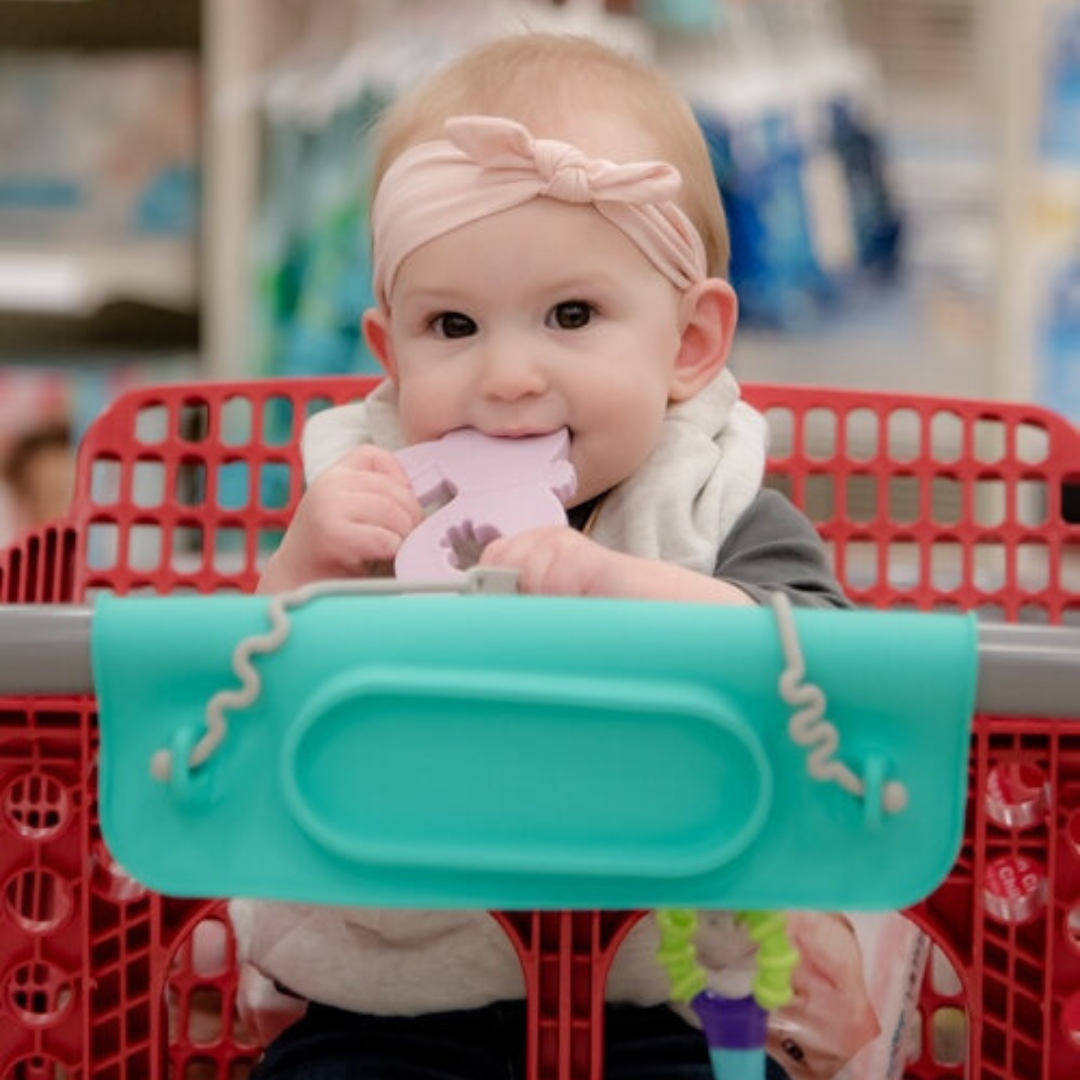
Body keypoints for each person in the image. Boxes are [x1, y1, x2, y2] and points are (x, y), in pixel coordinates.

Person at [231, 31, 874, 1080]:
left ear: (690, 344)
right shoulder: (371, 498)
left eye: (572, 314)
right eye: (453, 324)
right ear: (390, 356)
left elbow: (828, 682)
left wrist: (623, 585)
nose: (511, 375)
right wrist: (302, 571)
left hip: (662, 989)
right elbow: (242, 697)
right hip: (396, 990)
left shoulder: (713, 506)